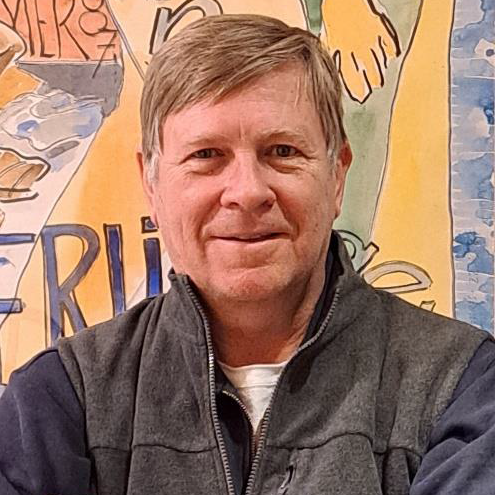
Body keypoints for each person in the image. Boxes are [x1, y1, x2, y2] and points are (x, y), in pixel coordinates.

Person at [0, 14, 494, 495]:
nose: (247, 191)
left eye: (281, 151)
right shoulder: (61, 400)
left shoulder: (463, 387)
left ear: (338, 174)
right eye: (206, 155)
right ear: (151, 181)